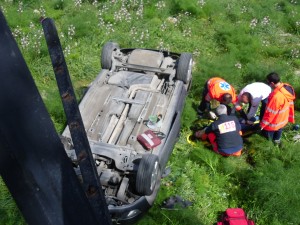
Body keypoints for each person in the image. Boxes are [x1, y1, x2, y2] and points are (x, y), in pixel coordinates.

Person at [260, 72, 296, 144]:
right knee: (278, 132)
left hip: (274, 123)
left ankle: (270, 144)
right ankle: (277, 141)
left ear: (272, 83)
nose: (268, 85)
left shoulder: (276, 97)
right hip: (283, 119)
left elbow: (270, 114)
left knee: (268, 139)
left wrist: (262, 125)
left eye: (268, 83)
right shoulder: (287, 87)